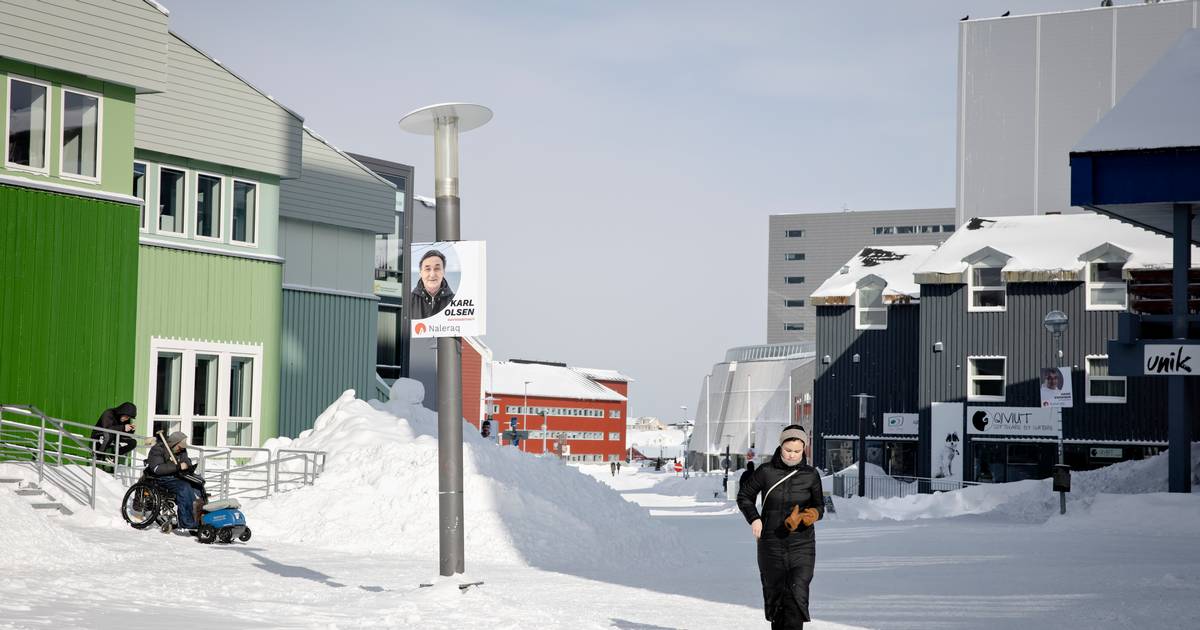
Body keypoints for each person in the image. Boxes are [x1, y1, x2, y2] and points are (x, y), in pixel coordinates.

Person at [737, 425, 824, 630]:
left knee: (796, 593)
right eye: (788, 450)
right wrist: (755, 519)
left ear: (804, 449)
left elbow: (819, 506)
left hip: (802, 544)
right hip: (771, 544)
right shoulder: (766, 472)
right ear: (781, 446)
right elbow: (744, 496)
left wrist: (808, 516)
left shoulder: (811, 475)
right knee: (778, 598)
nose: (792, 455)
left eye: (797, 451)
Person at [145, 431, 202, 530]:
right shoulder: (158, 449)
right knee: (184, 488)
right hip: (161, 478)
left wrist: (188, 465)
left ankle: (199, 518)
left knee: (198, 486)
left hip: (177, 476)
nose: (182, 449)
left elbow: (186, 460)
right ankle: (187, 521)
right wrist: (177, 466)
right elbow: (157, 469)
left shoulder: (181, 450)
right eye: (180, 447)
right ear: (174, 443)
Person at [409, 249, 455, 320]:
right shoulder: (408, 301)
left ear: (443, 272)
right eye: (427, 269)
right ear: (420, 273)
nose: (432, 274)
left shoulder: (456, 302)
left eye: (437, 268)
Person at [91, 402, 138, 468]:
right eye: (126, 417)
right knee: (110, 434)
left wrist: (131, 430)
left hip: (115, 437)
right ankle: (98, 456)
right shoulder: (108, 413)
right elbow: (107, 429)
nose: (127, 419)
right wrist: (123, 427)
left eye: (129, 418)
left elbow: (124, 435)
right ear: (122, 412)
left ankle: (113, 456)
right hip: (100, 435)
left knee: (133, 442)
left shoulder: (125, 420)